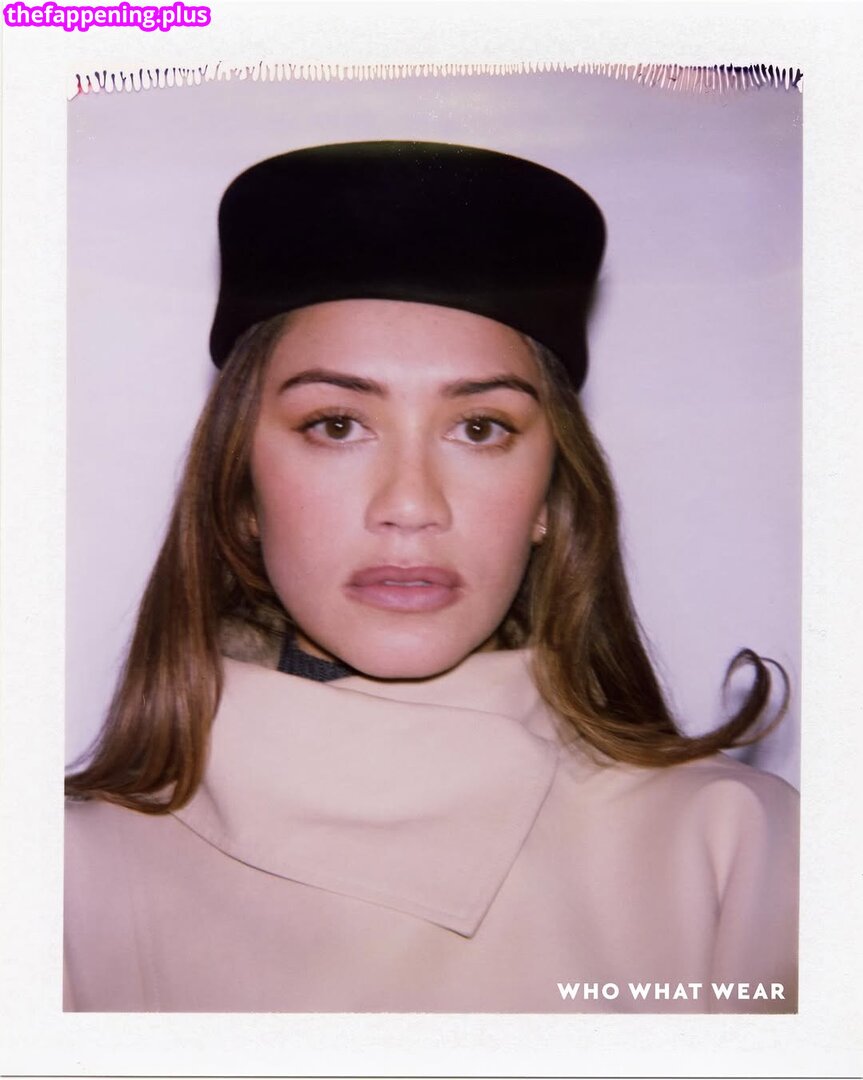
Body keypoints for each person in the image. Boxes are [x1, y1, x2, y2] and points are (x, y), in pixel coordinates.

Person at [64, 141, 798, 1013]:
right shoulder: (61, 886)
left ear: (548, 497)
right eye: (337, 424)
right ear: (242, 492)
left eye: (480, 428)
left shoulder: (739, 855)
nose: (410, 506)